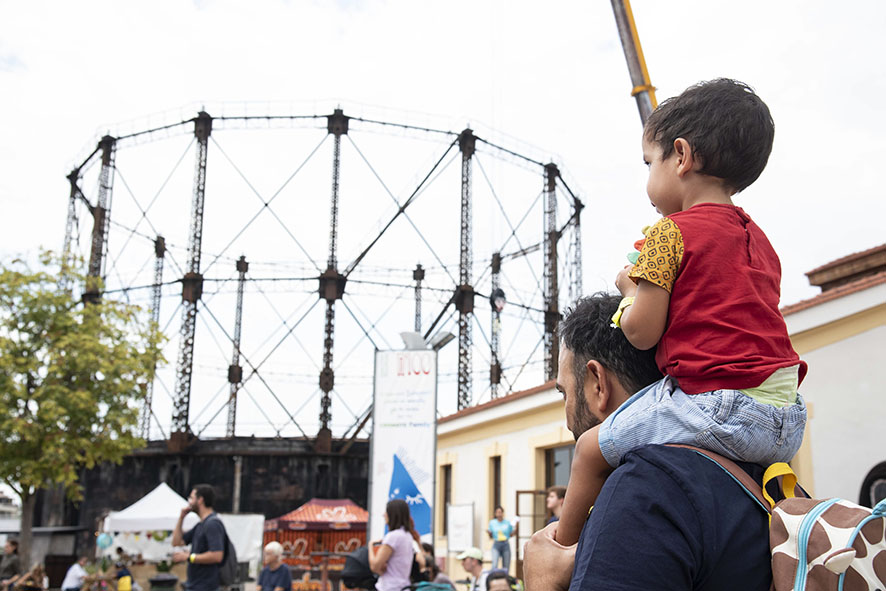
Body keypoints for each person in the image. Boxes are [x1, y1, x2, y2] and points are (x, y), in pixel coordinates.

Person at [554, 78, 808, 546]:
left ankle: (562, 549)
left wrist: (632, 289)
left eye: (650, 163)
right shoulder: (759, 239)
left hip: (723, 408)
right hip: (786, 418)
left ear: (682, 156)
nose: (649, 178)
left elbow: (640, 333)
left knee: (591, 451)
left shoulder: (668, 233)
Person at [523, 294, 778, 590]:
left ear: (597, 384)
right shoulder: (762, 474)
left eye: (565, 393)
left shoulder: (642, 489)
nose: (567, 419)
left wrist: (542, 581)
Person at [171, 484, 226, 591]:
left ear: (200, 500)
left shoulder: (212, 524)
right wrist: (181, 518)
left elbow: (217, 555)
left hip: (206, 586)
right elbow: (176, 542)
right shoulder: (200, 525)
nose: (189, 502)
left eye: (191, 498)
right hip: (194, 585)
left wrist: (189, 557)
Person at [368, 499, 415, 591]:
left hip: (388, 587)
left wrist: (370, 546)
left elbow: (375, 566)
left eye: (387, 512)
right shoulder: (407, 536)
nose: (384, 515)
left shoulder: (393, 537)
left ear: (393, 514)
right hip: (403, 586)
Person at [486, 507, 514, 572]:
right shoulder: (492, 523)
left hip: (505, 544)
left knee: (506, 566)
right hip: (496, 544)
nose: (499, 514)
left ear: (503, 513)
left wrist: (517, 526)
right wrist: (489, 533)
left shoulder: (507, 523)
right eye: (498, 512)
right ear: (495, 514)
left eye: (500, 512)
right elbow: (490, 536)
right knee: (494, 564)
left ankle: (505, 580)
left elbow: (511, 534)